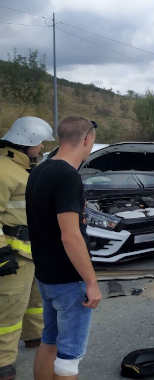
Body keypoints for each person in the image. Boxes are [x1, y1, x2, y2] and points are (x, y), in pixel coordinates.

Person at [26, 116, 101, 380]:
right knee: (69, 358)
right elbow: (70, 236)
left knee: (49, 341)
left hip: (45, 276)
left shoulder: (39, 171)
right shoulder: (68, 177)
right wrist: (91, 281)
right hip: (69, 280)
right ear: (86, 139)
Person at [0, 117, 54, 380]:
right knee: (9, 309)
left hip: (32, 251)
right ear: (27, 142)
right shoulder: (2, 170)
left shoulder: (24, 169)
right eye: (40, 142)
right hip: (13, 254)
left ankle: (34, 337)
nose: (42, 147)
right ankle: (3, 362)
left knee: (35, 302)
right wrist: (1, 254)